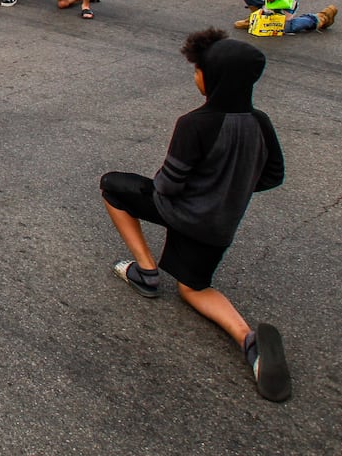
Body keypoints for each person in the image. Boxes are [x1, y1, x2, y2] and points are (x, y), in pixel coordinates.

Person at [99, 28, 291, 403]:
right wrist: (227, 189)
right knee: (194, 288)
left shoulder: (195, 123)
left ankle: (146, 271)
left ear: (213, 77)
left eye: (198, 70)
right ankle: (248, 340)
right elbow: (273, 176)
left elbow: (167, 186)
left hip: (180, 211)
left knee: (113, 186)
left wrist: (197, 190)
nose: (195, 76)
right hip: (218, 225)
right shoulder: (260, 122)